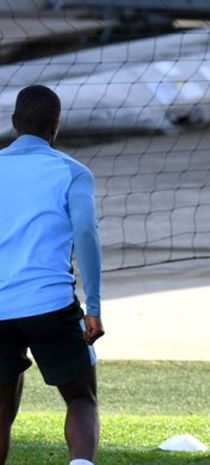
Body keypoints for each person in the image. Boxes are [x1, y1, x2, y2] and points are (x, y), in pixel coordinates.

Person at [0, 85, 104, 465]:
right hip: (52, 308)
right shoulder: (73, 172)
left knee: (0, 412)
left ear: (13, 124)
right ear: (55, 127)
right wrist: (92, 307)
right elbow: (87, 235)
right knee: (80, 397)